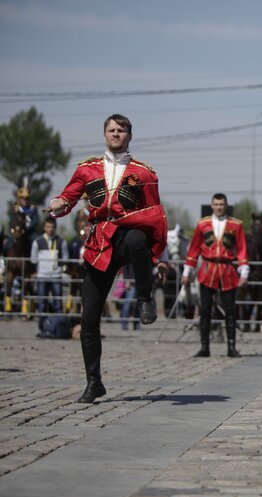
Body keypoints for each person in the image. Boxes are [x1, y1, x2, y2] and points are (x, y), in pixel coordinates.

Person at [47, 114, 167, 403]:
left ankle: (144, 298)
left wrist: (159, 257)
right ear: (104, 135)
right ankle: (94, 382)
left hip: (127, 237)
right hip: (98, 242)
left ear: (130, 136)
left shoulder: (145, 173)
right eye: (112, 130)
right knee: (88, 318)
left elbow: (156, 217)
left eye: (122, 130)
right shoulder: (87, 169)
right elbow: (68, 197)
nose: (116, 134)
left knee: (138, 237)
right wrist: (58, 204)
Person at [182, 193, 249, 358]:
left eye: (221, 204)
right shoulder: (202, 224)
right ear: (212, 206)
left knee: (230, 311)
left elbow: (241, 249)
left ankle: (231, 348)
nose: (219, 207)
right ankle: (205, 347)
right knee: (204, 310)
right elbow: (194, 249)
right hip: (207, 270)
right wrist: (187, 271)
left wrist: (244, 271)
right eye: (216, 204)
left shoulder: (236, 225)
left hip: (227, 271)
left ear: (226, 206)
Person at [30, 217, 69, 333]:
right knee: (42, 303)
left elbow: (65, 258)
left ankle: (59, 329)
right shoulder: (37, 241)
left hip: (56, 276)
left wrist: (58, 267)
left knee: (58, 304)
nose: (50, 229)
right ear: (44, 227)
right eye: (48, 227)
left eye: (52, 227)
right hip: (42, 276)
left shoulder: (62, 241)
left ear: (55, 228)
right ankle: (42, 328)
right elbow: (33, 259)